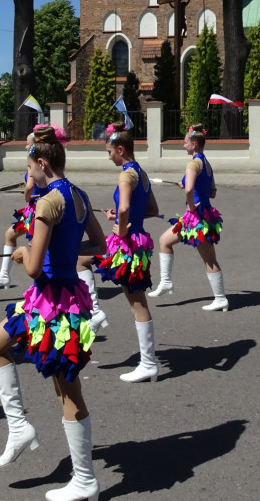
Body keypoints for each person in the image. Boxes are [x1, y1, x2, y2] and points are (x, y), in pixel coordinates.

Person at [0, 125, 105, 500]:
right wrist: (62, 255)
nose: (27, 173)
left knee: (68, 391)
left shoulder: (48, 200)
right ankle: (19, 427)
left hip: (54, 303)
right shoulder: (79, 194)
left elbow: (33, 267)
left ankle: (85, 481)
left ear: (42, 163)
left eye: (29, 165)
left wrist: (25, 254)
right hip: (56, 296)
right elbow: (98, 242)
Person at [95, 122, 161, 382]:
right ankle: (93, 311)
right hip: (139, 241)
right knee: (137, 301)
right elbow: (152, 210)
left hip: (128, 245)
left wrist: (120, 228)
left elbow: (123, 209)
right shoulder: (141, 173)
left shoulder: (125, 174)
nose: (109, 156)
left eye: (110, 151)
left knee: (137, 304)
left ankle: (148, 363)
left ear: (120, 149)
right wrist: (125, 217)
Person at [150, 123, 227, 311]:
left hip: (197, 218)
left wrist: (191, 206)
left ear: (193, 143)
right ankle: (166, 282)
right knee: (165, 241)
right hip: (204, 215)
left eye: (185, 143)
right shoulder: (206, 163)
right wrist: (184, 184)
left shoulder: (193, 163)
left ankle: (220, 298)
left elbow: (191, 189)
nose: (183, 145)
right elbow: (212, 192)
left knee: (209, 259)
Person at [0, 131, 38, 291]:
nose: (26, 146)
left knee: (40, 247)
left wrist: (27, 194)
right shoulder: (41, 159)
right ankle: (4, 275)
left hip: (37, 211)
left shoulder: (34, 161)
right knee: (10, 234)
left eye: (28, 143)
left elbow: (29, 186)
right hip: (33, 210)